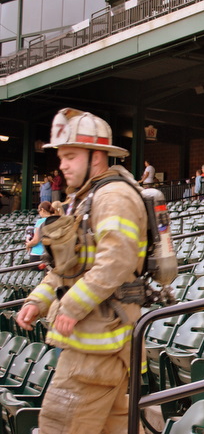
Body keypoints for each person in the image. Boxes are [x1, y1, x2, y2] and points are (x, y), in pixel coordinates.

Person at [16, 108, 148, 433]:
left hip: (98, 344)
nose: (62, 164)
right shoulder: (83, 200)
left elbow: (116, 261)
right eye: (61, 156)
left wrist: (72, 306)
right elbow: (66, 268)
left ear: (97, 156)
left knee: (59, 425)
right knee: (113, 427)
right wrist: (38, 301)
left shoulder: (114, 197)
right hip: (95, 342)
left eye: (70, 156)